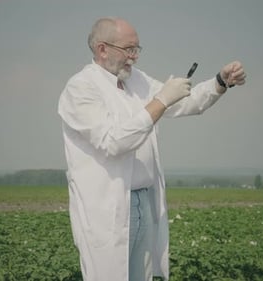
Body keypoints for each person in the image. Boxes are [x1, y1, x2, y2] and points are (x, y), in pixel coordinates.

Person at [58, 17, 246, 281]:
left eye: (137, 49)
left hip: (143, 201)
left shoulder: (137, 80)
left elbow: (183, 102)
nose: (134, 57)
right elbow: (114, 142)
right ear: (102, 49)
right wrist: (160, 101)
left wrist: (220, 82)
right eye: (128, 49)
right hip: (108, 208)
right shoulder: (81, 88)